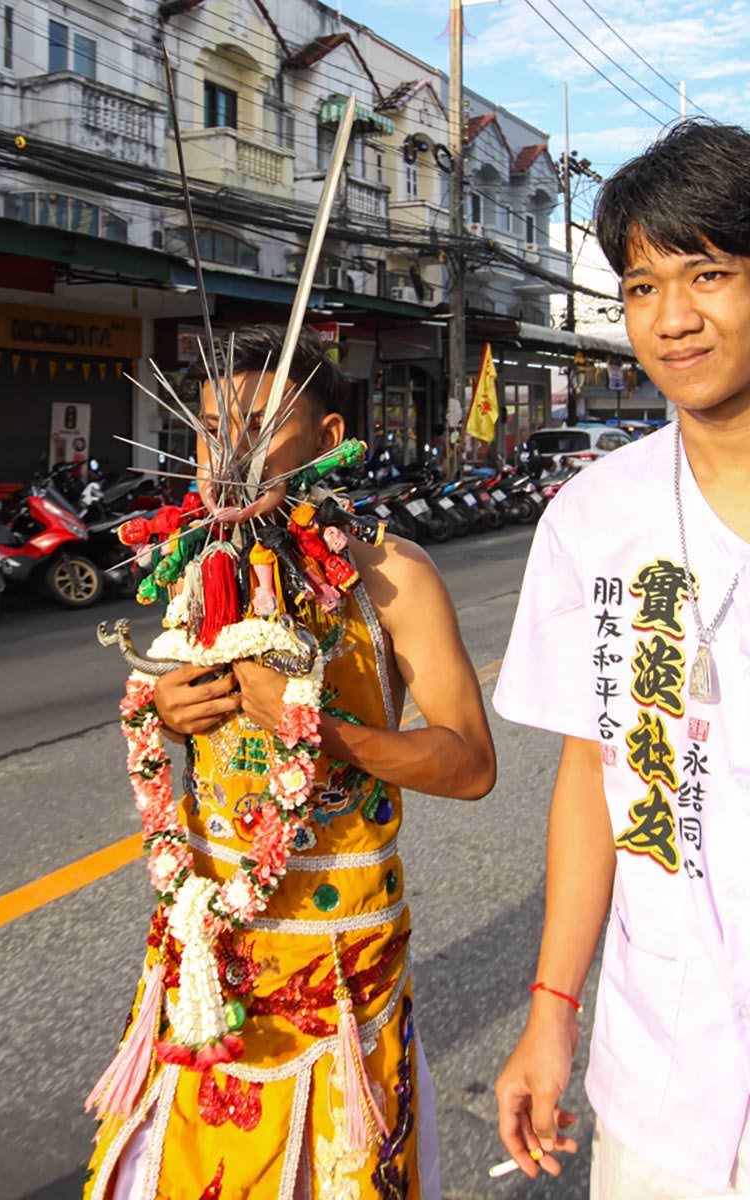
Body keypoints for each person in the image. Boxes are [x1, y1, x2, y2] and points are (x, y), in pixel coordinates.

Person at [83, 325, 495, 1200]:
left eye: (259, 425)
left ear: (330, 441)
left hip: (336, 967)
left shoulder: (392, 576)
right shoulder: (196, 569)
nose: (226, 453)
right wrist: (169, 709)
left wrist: (325, 731)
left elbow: (469, 764)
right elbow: (188, 733)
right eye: (207, 428)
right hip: (203, 959)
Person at [492, 119, 750, 1199]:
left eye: (708, 273)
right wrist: (551, 1009)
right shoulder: (592, 519)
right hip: (665, 1074)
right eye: (639, 287)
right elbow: (594, 776)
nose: (673, 319)